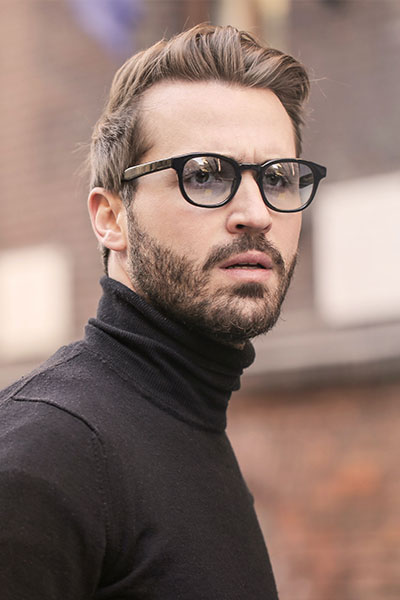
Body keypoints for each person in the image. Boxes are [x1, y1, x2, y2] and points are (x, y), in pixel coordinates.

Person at [0, 24, 326, 599]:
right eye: (205, 174)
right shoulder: (47, 451)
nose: (256, 213)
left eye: (278, 178)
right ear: (111, 218)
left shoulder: (189, 421)